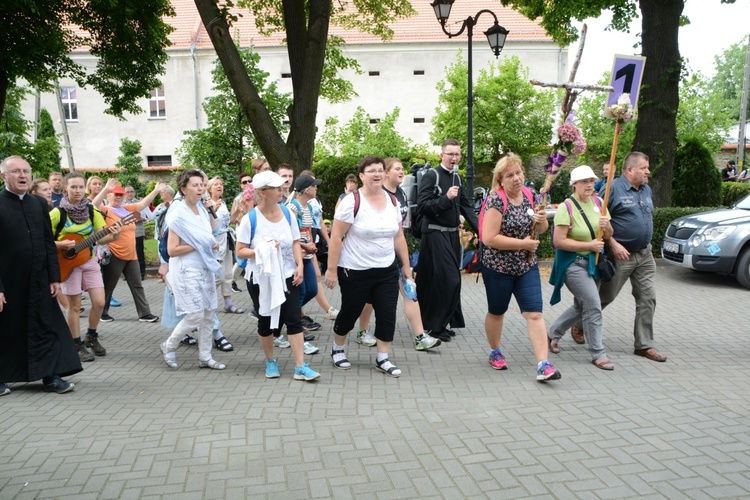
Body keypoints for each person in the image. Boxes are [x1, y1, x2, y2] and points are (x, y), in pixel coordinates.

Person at [324, 155, 413, 377]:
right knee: (350, 312)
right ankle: (338, 348)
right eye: (371, 171)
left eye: (380, 170)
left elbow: (399, 236)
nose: (377, 174)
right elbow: (336, 237)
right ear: (362, 176)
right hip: (355, 270)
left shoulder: (392, 201)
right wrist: (331, 269)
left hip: (386, 269)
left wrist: (406, 266)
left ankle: (383, 358)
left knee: (387, 313)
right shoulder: (351, 202)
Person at [0, 156, 81, 395]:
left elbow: (48, 241)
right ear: (4, 176)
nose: (23, 176)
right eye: (16, 171)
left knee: (45, 326)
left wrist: (54, 278)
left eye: (26, 171)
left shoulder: (38, 203)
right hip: (9, 280)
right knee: (7, 329)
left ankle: (51, 376)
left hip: (39, 279)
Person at [576, 152, 668, 363]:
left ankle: (644, 345)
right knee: (605, 297)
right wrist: (613, 243)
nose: (648, 171)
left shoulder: (646, 189)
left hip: (644, 255)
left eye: (647, 167)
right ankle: (580, 323)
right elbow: (598, 221)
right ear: (629, 170)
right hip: (620, 254)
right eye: (644, 168)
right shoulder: (612, 189)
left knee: (647, 298)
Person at [480, 154, 560, 381]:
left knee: (534, 313)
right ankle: (495, 351)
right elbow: (489, 238)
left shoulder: (531, 195)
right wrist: (522, 244)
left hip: (526, 266)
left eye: (518, 173)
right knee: (497, 312)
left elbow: (541, 229)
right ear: (501, 180)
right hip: (498, 267)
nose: (516, 178)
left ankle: (543, 365)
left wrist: (542, 219)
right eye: (510, 175)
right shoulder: (496, 200)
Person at [235, 170, 320, 381]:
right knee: (265, 322)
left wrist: (300, 265)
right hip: (261, 279)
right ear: (263, 192)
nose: (282, 190)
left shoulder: (287, 213)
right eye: (276, 188)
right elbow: (240, 251)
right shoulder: (250, 219)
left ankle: (300, 366)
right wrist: (262, 250)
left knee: (293, 319)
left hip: (288, 274)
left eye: (282, 186)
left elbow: (294, 241)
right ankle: (270, 360)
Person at [356, 158, 441, 351]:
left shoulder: (400, 193)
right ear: (386, 173)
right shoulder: (379, 194)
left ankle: (420, 336)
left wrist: (405, 257)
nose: (402, 172)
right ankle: (362, 331)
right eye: (397, 169)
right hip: (378, 257)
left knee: (410, 292)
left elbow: (402, 228)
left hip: (399, 254)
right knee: (369, 298)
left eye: (402, 169)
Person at [547, 165, 615, 370]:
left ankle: (552, 333)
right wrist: (589, 245)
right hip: (572, 265)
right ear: (574, 184)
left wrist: (607, 225)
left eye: (592, 181)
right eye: (584, 181)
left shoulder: (599, 203)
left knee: (581, 305)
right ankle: (598, 353)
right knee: (593, 304)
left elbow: (609, 234)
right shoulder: (566, 207)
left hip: (594, 264)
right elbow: (559, 242)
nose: (589, 185)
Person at [160, 169, 226, 370]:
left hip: (204, 267)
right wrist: (201, 244)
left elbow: (211, 230)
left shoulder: (202, 209)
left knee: (208, 314)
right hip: (186, 270)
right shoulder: (178, 214)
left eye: (202, 184)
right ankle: (168, 345)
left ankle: (205, 356)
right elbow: (172, 249)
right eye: (195, 185)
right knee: (195, 315)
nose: (200, 188)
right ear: (183, 189)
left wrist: (210, 211)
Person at [50, 172, 119, 362]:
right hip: (67, 264)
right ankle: (75, 344)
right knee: (74, 306)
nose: (78, 190)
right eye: (73, 187)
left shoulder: (92, 211)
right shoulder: (58, 213)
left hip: (88, 261)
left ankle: (91, 335)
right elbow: (43, 238)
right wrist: (61, 245)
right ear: (66, 188)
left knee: (99, 302)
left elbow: (101, 236)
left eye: (80, 187)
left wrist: (114, 235)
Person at [415, 138, 478, 342]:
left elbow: (467, 207)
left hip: (451, 235)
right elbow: (423, 206)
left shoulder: (457, 179)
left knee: (447, 280)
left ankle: (439, 324)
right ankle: (434, 326)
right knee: (447, 279)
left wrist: (483, 231)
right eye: (450, 154)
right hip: (434, 234)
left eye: (457, 154)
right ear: (441, 155)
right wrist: (446, 199)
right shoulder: (431, 175)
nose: (454, 158)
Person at [97, 180, 164, 322]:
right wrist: (104, 189)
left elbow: (142, 204)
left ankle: (144, 314)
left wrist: (156, 190)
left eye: (121, 195)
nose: (118, 197)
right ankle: (102, 312)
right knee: (109, 285)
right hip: (114, 253)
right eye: (115, 194)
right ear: (108, 195)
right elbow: (92, 206)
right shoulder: (105, 210)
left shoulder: (127, 209)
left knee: (137, 284)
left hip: (131, 254)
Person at [286, 174, 323, 334]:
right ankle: (295, 326)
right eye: (314, 186)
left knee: (312, 289)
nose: (316, 188)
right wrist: (304, 246)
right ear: (307, 189)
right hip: (297, 256)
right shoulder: (292, 208)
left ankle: (290, 315)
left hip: (307, 255)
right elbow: (288, 235)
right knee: (299, 292)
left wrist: (311, 247)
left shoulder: (308, 206)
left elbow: (307, 231)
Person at [206, 176, 244, 316]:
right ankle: (206, 302)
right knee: (217, 275)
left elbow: (229, 221)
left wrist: (237, 211)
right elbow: (206, 225)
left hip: (226, 241)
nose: (219, 186)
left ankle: (228, 304)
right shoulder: (206, 204)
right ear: (209, 189)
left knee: (228, 274)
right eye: (216, 184)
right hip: (215, 243)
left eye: (221, 184)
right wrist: (212, 209)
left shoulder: (223, 203)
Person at [230, 171, 254, 292]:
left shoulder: (257, 196)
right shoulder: (238, 199)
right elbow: (233, 219)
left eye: (250, 181)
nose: (248, 184)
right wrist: (242, 211)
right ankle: (232, 280)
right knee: (241, 259)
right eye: (244, 182)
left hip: (254, 230)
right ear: (241, 185)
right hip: (242, 230)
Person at [124, 185, 153, 280]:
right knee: (127, 253)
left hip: (137, 232)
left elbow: (146, 217)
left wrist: (138, 219)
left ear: (134, 193)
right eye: (127, 192)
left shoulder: (140, 203)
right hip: (125, 233)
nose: (129, 194)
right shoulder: (121, 204)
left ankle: (141, 274)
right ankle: (128, 275)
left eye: (131, 191)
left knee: (139, 253)